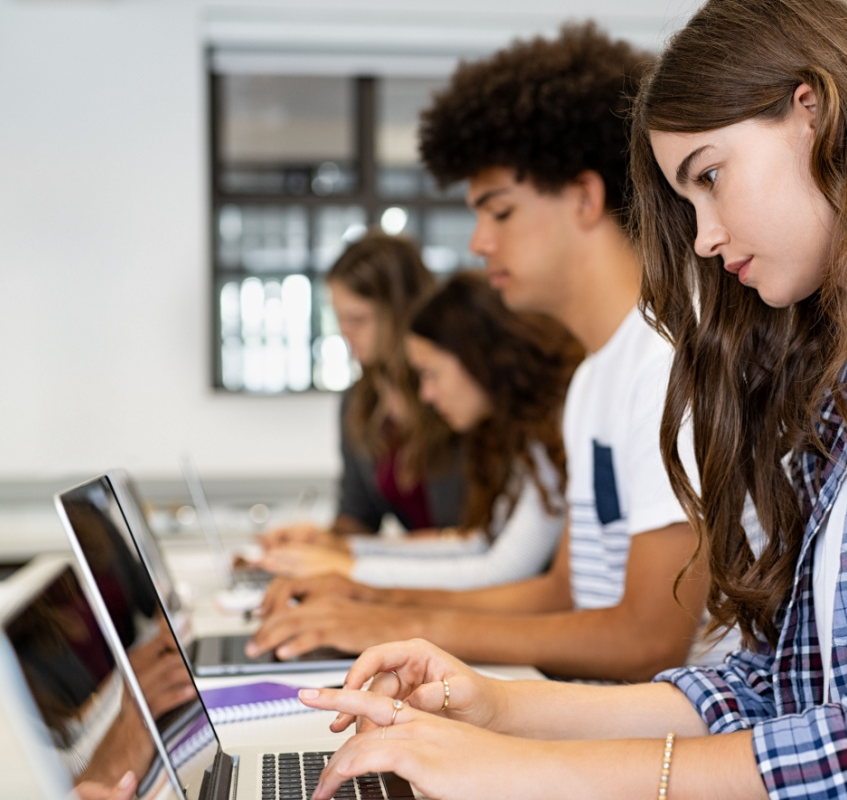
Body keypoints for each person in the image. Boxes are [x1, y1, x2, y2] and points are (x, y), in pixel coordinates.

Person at [287, 2, 847, 798]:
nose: (703, 239)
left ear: (812, 112)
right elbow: (776, 685)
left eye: (710, 176)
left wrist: (518, 770)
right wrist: (497, 709)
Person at [248, 22, 737, 682]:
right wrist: (374, 600)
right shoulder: (597, 376)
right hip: (599, 713)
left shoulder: (663, 364)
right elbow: (563, 593)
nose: (479, 242)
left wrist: (396, 626)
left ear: (585, 198)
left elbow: (650, 639)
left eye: (499, 212)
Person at [256, 271, 583, 591]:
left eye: (431, 374)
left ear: (475, 358)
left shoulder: (555, 428)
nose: (426, 394)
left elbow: (504, 569)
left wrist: (349, 568)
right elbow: (477, 544)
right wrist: (344, 552)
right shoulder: (525, 432)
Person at [262, 232, 463, 547]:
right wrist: (320, 539)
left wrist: (374, 552)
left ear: (403, 311)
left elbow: (475, 541)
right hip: (415, 580)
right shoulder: (359, 400)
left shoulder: (456, 394)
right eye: (339, 319)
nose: (345, 333)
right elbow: (359, 517)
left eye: (358, 319)